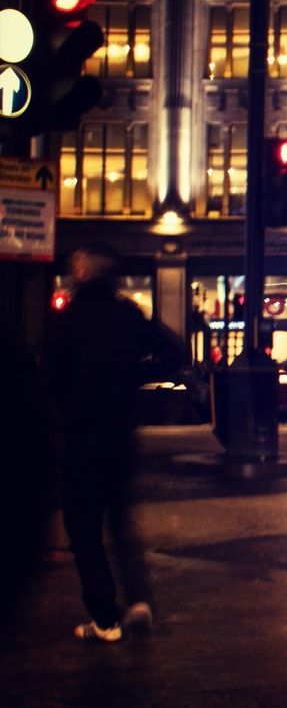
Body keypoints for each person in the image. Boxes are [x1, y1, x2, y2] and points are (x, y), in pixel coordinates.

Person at [51, 243, 185, 642]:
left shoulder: (70, 318)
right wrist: (136, 375)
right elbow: (174, 350)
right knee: (122, 523)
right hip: (121, 434)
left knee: (84, 528)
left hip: (82, 436)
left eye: (78, 262)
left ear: (85, 273)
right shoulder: (126, 312)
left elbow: (54, 379)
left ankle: (105, 618)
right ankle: (139, 602)